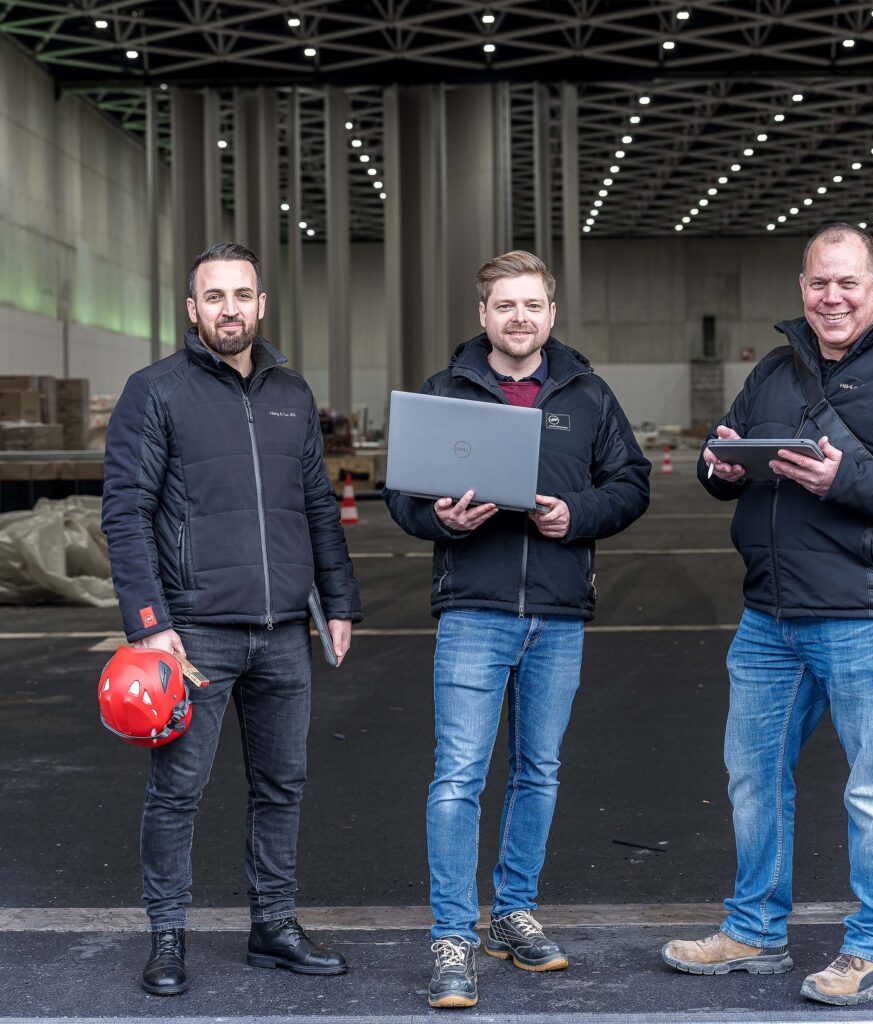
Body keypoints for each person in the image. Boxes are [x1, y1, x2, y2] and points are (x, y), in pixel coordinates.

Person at [662, 223, 873, 1006]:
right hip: (770, 613)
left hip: (868, 612)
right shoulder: (776, 368)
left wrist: (847, 478)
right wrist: (717, 466)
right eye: (817, 283)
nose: (831, 297)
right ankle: (753, 931)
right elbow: (734, 455)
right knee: (753, 776)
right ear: (800, 288)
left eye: (846, 283)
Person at [384, 250, 650, 1009]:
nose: (520, 318)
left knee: (540, 772)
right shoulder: (446, 392)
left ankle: (513, 914)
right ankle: (451, 937)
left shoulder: (589, 396)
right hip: (474, 607)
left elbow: (629, 484)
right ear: (483, 315)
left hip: (559, 614)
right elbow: (401, 494)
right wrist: (437, 517)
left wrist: (579, 516)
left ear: (552, 314)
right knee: (459, 778)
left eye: (532, 305)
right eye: (505, 305)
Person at [101, 242, 362, 996]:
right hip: (193, 634)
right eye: (213, 296)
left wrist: (338, 601)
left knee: (282, 785)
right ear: (192, 309)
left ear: (261, 305)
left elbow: (317, 507)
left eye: (241, 295)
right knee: (177, 790)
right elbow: (126, 512)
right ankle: (168, 936)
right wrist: (150, 621)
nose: (229, 309)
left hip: (284, 630)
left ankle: (273, 928)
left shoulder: (291, 393)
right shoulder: (155, 391)